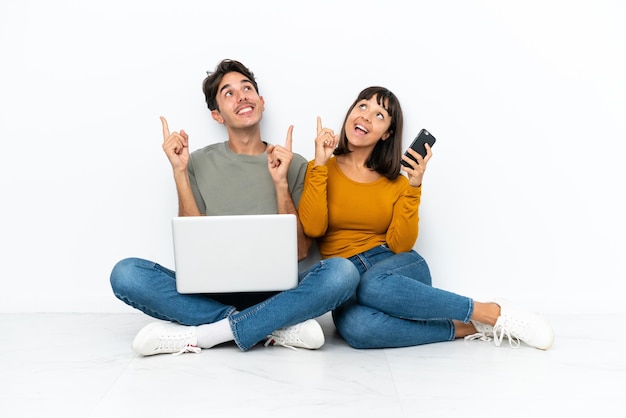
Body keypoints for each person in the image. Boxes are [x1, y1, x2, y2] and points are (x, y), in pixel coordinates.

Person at [110, 59, 359, 356]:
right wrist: (179, 172)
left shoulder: (293, 163)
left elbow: (301, 251)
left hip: (278, 292)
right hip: (211, 293)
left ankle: (209, 334)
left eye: (247, 88)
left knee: (342, 272)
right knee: (126, 274)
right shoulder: (196, 162)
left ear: (261, 102)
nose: (241, 96)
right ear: (217, 115)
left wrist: (280, 183)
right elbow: (195, 246)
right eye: (228, 93)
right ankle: (271, 326)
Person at [298, 86, 554, 350]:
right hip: (346, 278)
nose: (366, 116)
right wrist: (319, 164)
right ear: (351, 112)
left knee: (373, 286)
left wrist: (414, 186)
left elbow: (401, 245)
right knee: (360, 330)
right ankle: (466, 327)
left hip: (392, 268)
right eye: (362, 106)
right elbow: (315, 228)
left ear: (386, 133)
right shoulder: (319, 168)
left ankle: (490, 312)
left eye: (379, 115)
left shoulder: (396, 182)